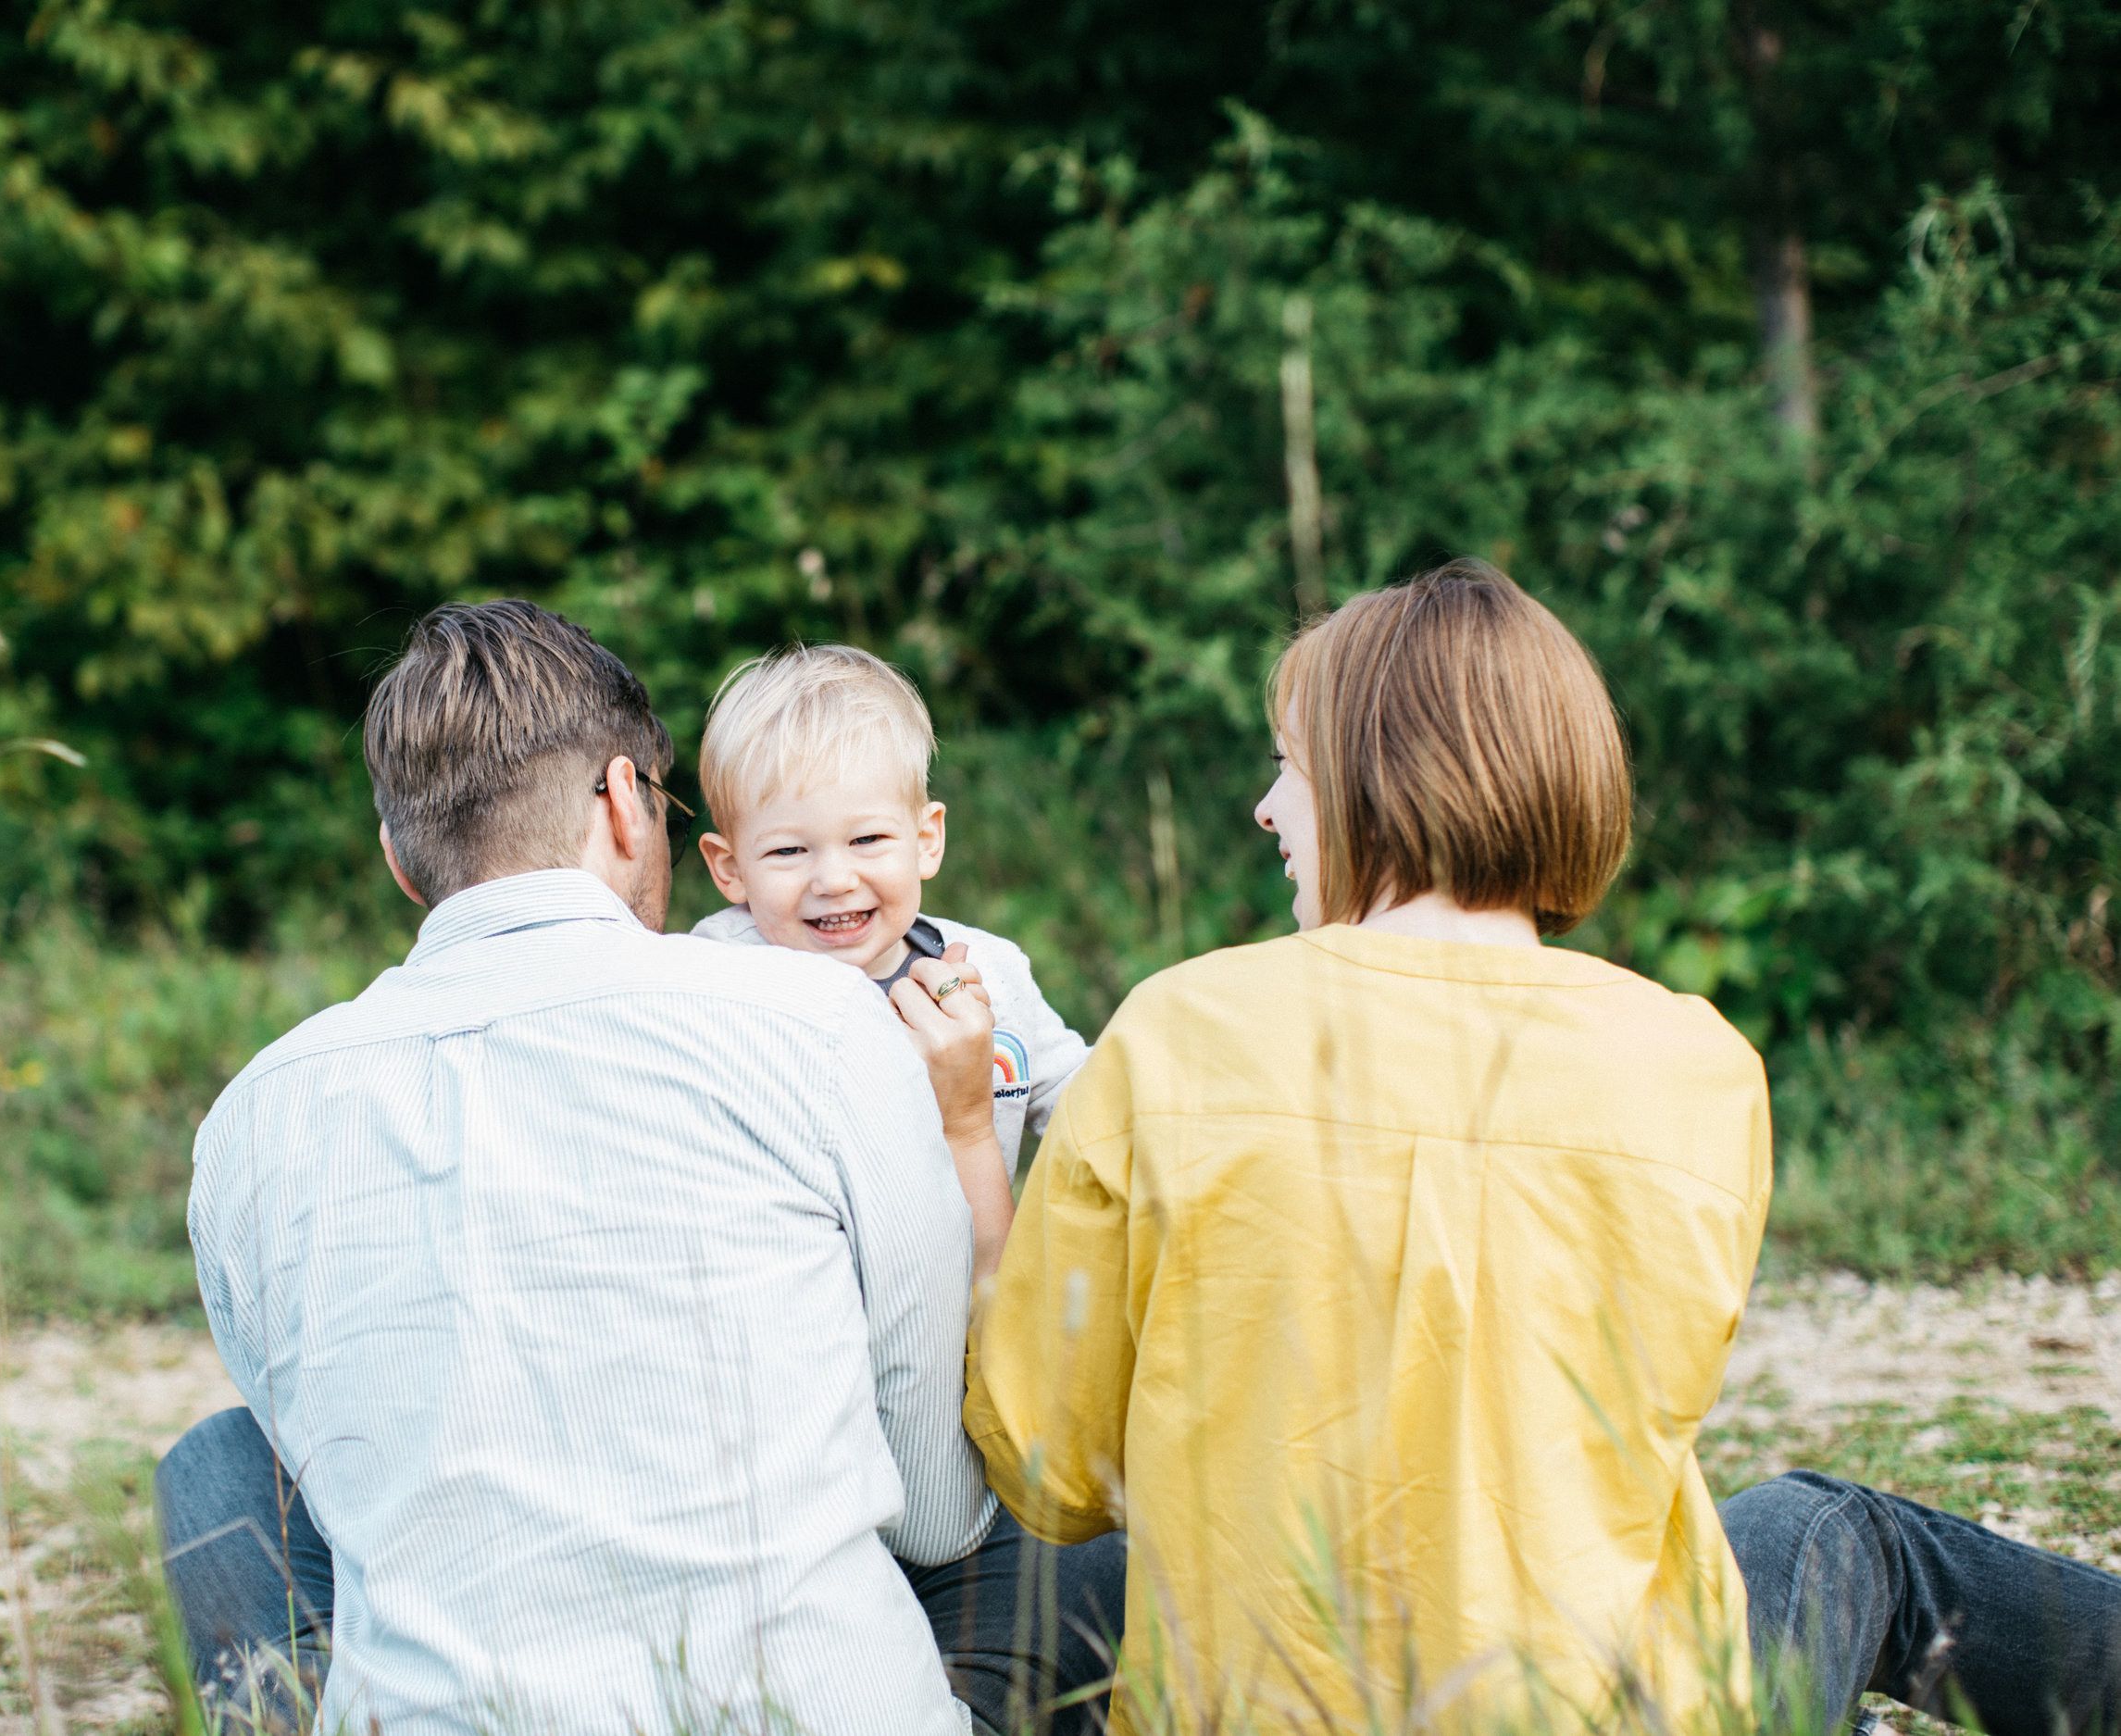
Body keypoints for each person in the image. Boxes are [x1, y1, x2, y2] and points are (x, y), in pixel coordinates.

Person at [963, 559, 2121, 1736]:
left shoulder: (1172, 1031)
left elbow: (1051, 1471)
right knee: (1843, 1532)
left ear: (1374, 781)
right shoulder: (1695, 1064)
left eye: (1289, 769)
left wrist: (970, 1147)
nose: (1266, 809)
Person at [156, 600, 1121, 1736]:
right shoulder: (813, 1019)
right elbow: (939, 1517)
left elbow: (317, 1453)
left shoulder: (249, 1116)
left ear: (400, 863)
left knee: (220, 1468)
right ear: (626, 805)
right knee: (1071, 1493)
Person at [690, 644, 1091, 1279]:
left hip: (973, 1312)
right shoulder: (716, 983)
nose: (835, 878)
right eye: (790, 850)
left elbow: (1090, 1102)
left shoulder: (994, 972)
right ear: (730, 868)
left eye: (868, 839)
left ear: (926, 840)